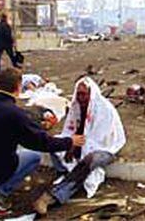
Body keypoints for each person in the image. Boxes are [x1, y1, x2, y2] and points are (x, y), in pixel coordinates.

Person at [0, 68, 84, 212]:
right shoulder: (14, 114)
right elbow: (41, 143)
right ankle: (0, 191)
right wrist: (69, 142)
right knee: (33, 156)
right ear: (18, 87)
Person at [33, 76, 126, 215]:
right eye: (79, 94)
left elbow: (99, 139)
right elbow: (70, 130)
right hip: (82, 143)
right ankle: (65, 174)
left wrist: (74, 145)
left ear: (91, 94)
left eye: (84, 94)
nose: (81, 98)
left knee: (90, 159)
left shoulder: (104, 110)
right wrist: (70, 143)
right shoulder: (77, 106)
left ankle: (53, 197)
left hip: (106, 148)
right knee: (54, 143)